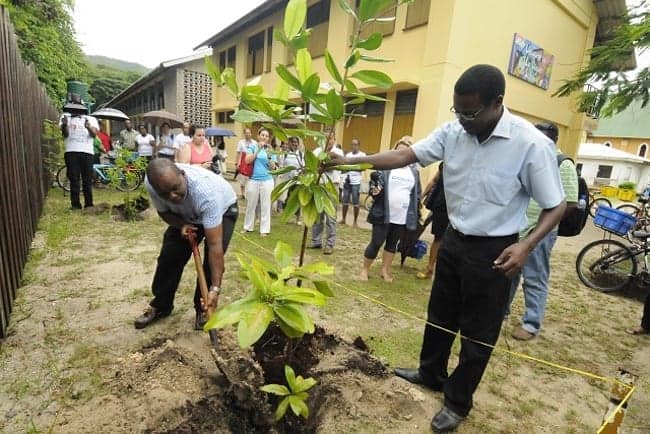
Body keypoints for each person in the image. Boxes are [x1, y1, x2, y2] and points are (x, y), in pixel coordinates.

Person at [331, 64, 566, 432]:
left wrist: (526, 246)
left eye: (470, 112)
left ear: (496, 104)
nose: (463, 119)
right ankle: (430, 373)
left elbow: (557, 205)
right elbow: (405, 157)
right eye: (457, 111)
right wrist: (354, 161)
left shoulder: (530, 144)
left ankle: (457, 402)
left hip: (497, 249)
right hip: (455, 239)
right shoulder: (454, 131)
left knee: (478, 330)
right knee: (439, 313)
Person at [134, 158, 238, 330]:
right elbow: (164, 212)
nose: (172, 196)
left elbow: (215, 247)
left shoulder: (207, 194)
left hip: (223, 210)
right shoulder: (153, 184)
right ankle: (161, 306)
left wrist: (216, 288)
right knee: (169, 257)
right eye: (165, 194)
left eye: (175, 188)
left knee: (209, 266)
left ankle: (204, 307)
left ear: (183, 175)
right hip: (185, 216)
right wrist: (181, 225)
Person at [506, 121, 578, 341]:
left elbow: (571, 203)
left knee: (535, 277)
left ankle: (531, 323)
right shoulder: (527, 158)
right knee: (508, 273)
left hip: (540, 233)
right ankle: (501, 312)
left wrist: (544, 227)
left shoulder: (562, 164)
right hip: (517, 227)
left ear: (552, 140)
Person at [361, 139, 420, 282]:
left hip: (401, 216)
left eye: (404, 151)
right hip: (383, 213)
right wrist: (374, 191)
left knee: (392, 244)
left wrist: (415, 209)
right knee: (376, 242)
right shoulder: (386, 168)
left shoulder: (414, 173)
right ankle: (364, 270)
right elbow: (374, 188)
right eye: (398, 150)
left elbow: (416, 194)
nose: (400, 153)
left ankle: (385, 271)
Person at [60, 102, 99, 210]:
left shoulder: (91, 119)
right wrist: (64, 125)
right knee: (74, 178)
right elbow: (65, 134)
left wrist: (88, 127)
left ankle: (89, 204)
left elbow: (94, 134)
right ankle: (76, 205)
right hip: (71, 151)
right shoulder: (65, 117)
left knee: (87, 179)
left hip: (87, 152)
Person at [310, 130, 344, 254]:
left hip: (332, 187)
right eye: (325, 138)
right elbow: (312, 166)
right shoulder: (316, 152)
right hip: (318, 186)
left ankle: (330, 244)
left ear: (334, 139)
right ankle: (316, 241)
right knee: (317, 215)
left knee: (331, 216)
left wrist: (323, 161)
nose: (328, 141)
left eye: (330, 138)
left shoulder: (338, 152)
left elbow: (330, 165)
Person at [242, 127, 277, 236]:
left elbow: (273, 168)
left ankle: (264, 230)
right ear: (258, 136)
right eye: (262, 135)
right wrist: (258, 149)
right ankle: (248, 227)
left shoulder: (270, 149)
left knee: (266, 205)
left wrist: (269, 155)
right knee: (251, 204)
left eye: (266, 136)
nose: (264, 137)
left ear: (268, 138)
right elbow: (247, 160)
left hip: (267, 180)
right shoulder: (252, 147)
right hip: (253, 180)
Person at [416, 163, 449, 280]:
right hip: (441, 205)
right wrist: (422, 195)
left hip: (459, 207)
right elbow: (435, 180)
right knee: (439, 238)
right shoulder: (445, 163)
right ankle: (430, 269)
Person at [340, 138, 366, 227]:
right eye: (352, 144)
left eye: (355, 145)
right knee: (345, 200)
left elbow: (364, 167)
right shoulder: (348, 155)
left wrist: (353, 167)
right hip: (347, 180)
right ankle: (343, 219)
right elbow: (344, 167)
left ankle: (355, 222)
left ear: (359, 146)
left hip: (356, 182)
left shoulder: (362, 155)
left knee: (355, 201)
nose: (353, 146)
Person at [235, 127, 256, 198]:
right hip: (243, 161)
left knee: (250, 178)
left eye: (249, 133)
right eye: (246, 133)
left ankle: (249, 193)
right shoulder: (241, 142)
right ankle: (243, 193)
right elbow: (238, 153)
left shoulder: (254, 143)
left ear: (251, 134)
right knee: (242, 178)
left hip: (251, 161)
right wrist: (237, 163)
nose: (248, 134)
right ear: (244, 134)